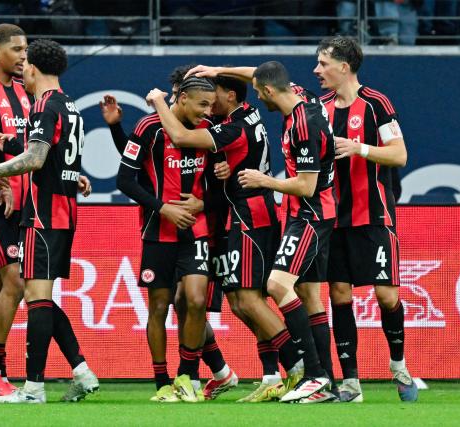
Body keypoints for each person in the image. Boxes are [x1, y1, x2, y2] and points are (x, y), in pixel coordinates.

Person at [145, 74, 307, 403]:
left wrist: (159, 101)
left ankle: (300, 367)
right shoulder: (247, 112)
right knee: (239, 302)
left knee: (248, 300)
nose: (207, 103)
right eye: (200, 98)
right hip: (242, 217)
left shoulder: (233, 127)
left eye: (212, 96)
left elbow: (178, 134)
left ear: (229, 95)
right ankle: (271, 375)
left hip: (248, 217)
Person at [0, 39, 98, 404]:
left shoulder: (43, 106)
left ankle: (33, 389)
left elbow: (36, 159)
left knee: (36, 298)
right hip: (64, 213)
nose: (22, 68)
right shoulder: (70, 105)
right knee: (41, 297)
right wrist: (12, 143)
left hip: (41, 215)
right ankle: (81, 371)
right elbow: (55, 156)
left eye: (26, 61)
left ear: (33, 68)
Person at [186, 61, 337, 403]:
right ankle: (322, 379)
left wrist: (262, 179)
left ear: (269, 92)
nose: (255, 95)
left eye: (258, 91)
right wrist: (215, 69)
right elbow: (263, 72)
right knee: (308, 296)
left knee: (275, 286)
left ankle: (312, 375)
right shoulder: (304, 98)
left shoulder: (303, 124)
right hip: (304, 214)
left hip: (311, 214)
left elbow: (307, 185)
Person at [100, 66, 238, 401]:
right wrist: (164, 208)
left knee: (194, 300)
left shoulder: (210, 131)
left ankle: (187, 377)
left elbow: (226, 186)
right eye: (203, 104)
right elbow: (125, 180)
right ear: (183, 98)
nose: (208, 111)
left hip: (198, 232)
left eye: (211, 105)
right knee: (159, 307)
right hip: (157, 232)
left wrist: (207, 200)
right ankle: (161, 380)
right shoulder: (149, 128)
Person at [314, 35, 417, 402]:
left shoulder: (376, 104)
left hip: (374, 215)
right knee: (339, 295)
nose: (317, 70)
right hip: (333, 218)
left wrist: (359, 148)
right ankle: (351, 383)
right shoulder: (318, 106)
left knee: (387, 295)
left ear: (344, 66)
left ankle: (399, 365)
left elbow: (399, 155)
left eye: (323, 63)